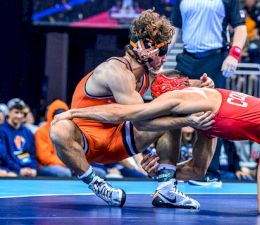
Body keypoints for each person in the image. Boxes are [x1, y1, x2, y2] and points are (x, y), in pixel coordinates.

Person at [53, 71, 260, 220]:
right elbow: (199, 169)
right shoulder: (205, 113)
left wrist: (77, 111)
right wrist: (169, 172)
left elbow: (130, 114)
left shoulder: (181, 98)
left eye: (158, 100)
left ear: (165, 96)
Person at [50, 10, 214, 209]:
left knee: (171, 104)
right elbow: (141, 120)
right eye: (162, 52)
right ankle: (98, 185)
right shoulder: (115, 71)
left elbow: (171, 83)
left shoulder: (145, 74)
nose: (164, 58)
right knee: (59, 129)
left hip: (118, 140)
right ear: (147, 49)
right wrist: (186, 121)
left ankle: (166, 188)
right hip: (86, 142)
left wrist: (200, 84)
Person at [171, 0, 247, 185]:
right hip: (186, 59)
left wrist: (234, 55)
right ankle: (170, 168)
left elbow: (240, 27)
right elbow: (174, 27)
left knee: (212, 116)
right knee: (172, 111)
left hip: (215, 58)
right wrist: (161, 53)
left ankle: (210, 173)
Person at [0, 98, 37, 177]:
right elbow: (5, 157)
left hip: (28, 168)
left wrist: (34, 169)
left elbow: (33, 155)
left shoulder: (28, 132)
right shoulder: (2, 131)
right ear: (9, 112)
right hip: (12, 169)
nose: (19, 116)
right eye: (16, 112)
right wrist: (19, 170)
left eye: (21, 113)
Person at [35, 99, 72, 177]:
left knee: (99, 172)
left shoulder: (69, 132)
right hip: (46, 166)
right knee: (67, 173)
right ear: (51, 116)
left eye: (63, 116)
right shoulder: (41, 132)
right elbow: (44, 158)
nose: (59, 118)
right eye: (57, 115)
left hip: (67, 165)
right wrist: (67, 163)